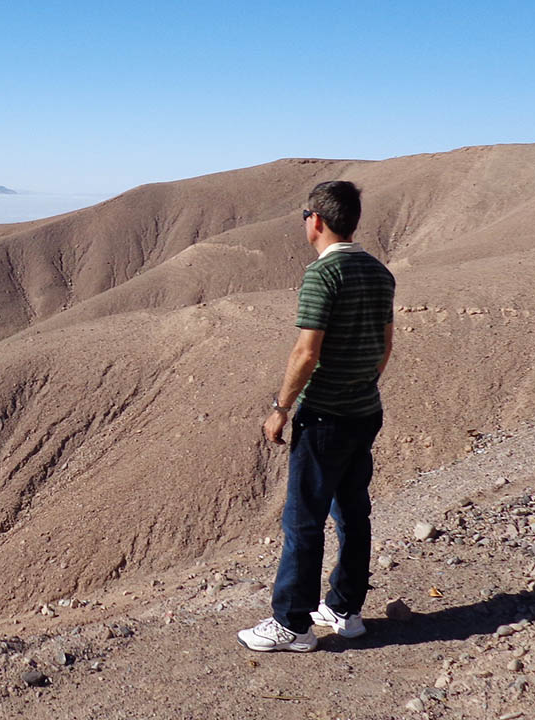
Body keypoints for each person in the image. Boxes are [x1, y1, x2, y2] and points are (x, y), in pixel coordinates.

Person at [237, 180, 396, 652]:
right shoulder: (379, 272)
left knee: (303, 520)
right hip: (364, 411)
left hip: (325, 415)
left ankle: (292, 623)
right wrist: (360, 385)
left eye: (305, 215)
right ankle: (345, 610)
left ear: (317, 221)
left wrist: (280, 409)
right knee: (352, 511)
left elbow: (306, 353)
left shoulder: (323, 276)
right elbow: (385, 346)